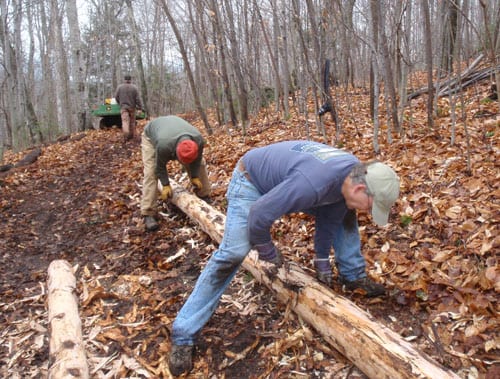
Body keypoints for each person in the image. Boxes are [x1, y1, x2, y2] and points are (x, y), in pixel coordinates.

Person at [168, 140, 400, 376]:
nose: (368, 212)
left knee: (345, 214)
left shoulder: (348, 179)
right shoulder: (313, 184)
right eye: (371, 206)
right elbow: (259, 214)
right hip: (251, 181)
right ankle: (183, 334)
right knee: (233, 253)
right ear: (360, 190)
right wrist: (267, 250)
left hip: (291, 180)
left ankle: (353, 275)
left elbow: (329, 219)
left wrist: (321, 261)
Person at [140, 115, 211, 231]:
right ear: (176, 153)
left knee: (201, 164)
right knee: (151, 173)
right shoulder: (164, 146)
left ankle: (204, 195)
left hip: (172, 130)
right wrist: (165, 184)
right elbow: (160, 166)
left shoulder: (199, 140)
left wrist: (194, 176)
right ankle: (148, 212)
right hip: (151, 136)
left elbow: (197, 159)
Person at [114, 75, 143, 141]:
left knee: (125, 121)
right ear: (130, 79)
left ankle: (125, 135)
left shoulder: (119, 87)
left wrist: (120, 103)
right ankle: (131, 136)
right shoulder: (134, 88)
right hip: (132, 107)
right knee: (132, 122)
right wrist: (140, 107)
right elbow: (138, 99)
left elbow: (116, 97)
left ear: (124, 79)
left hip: (123, 107)